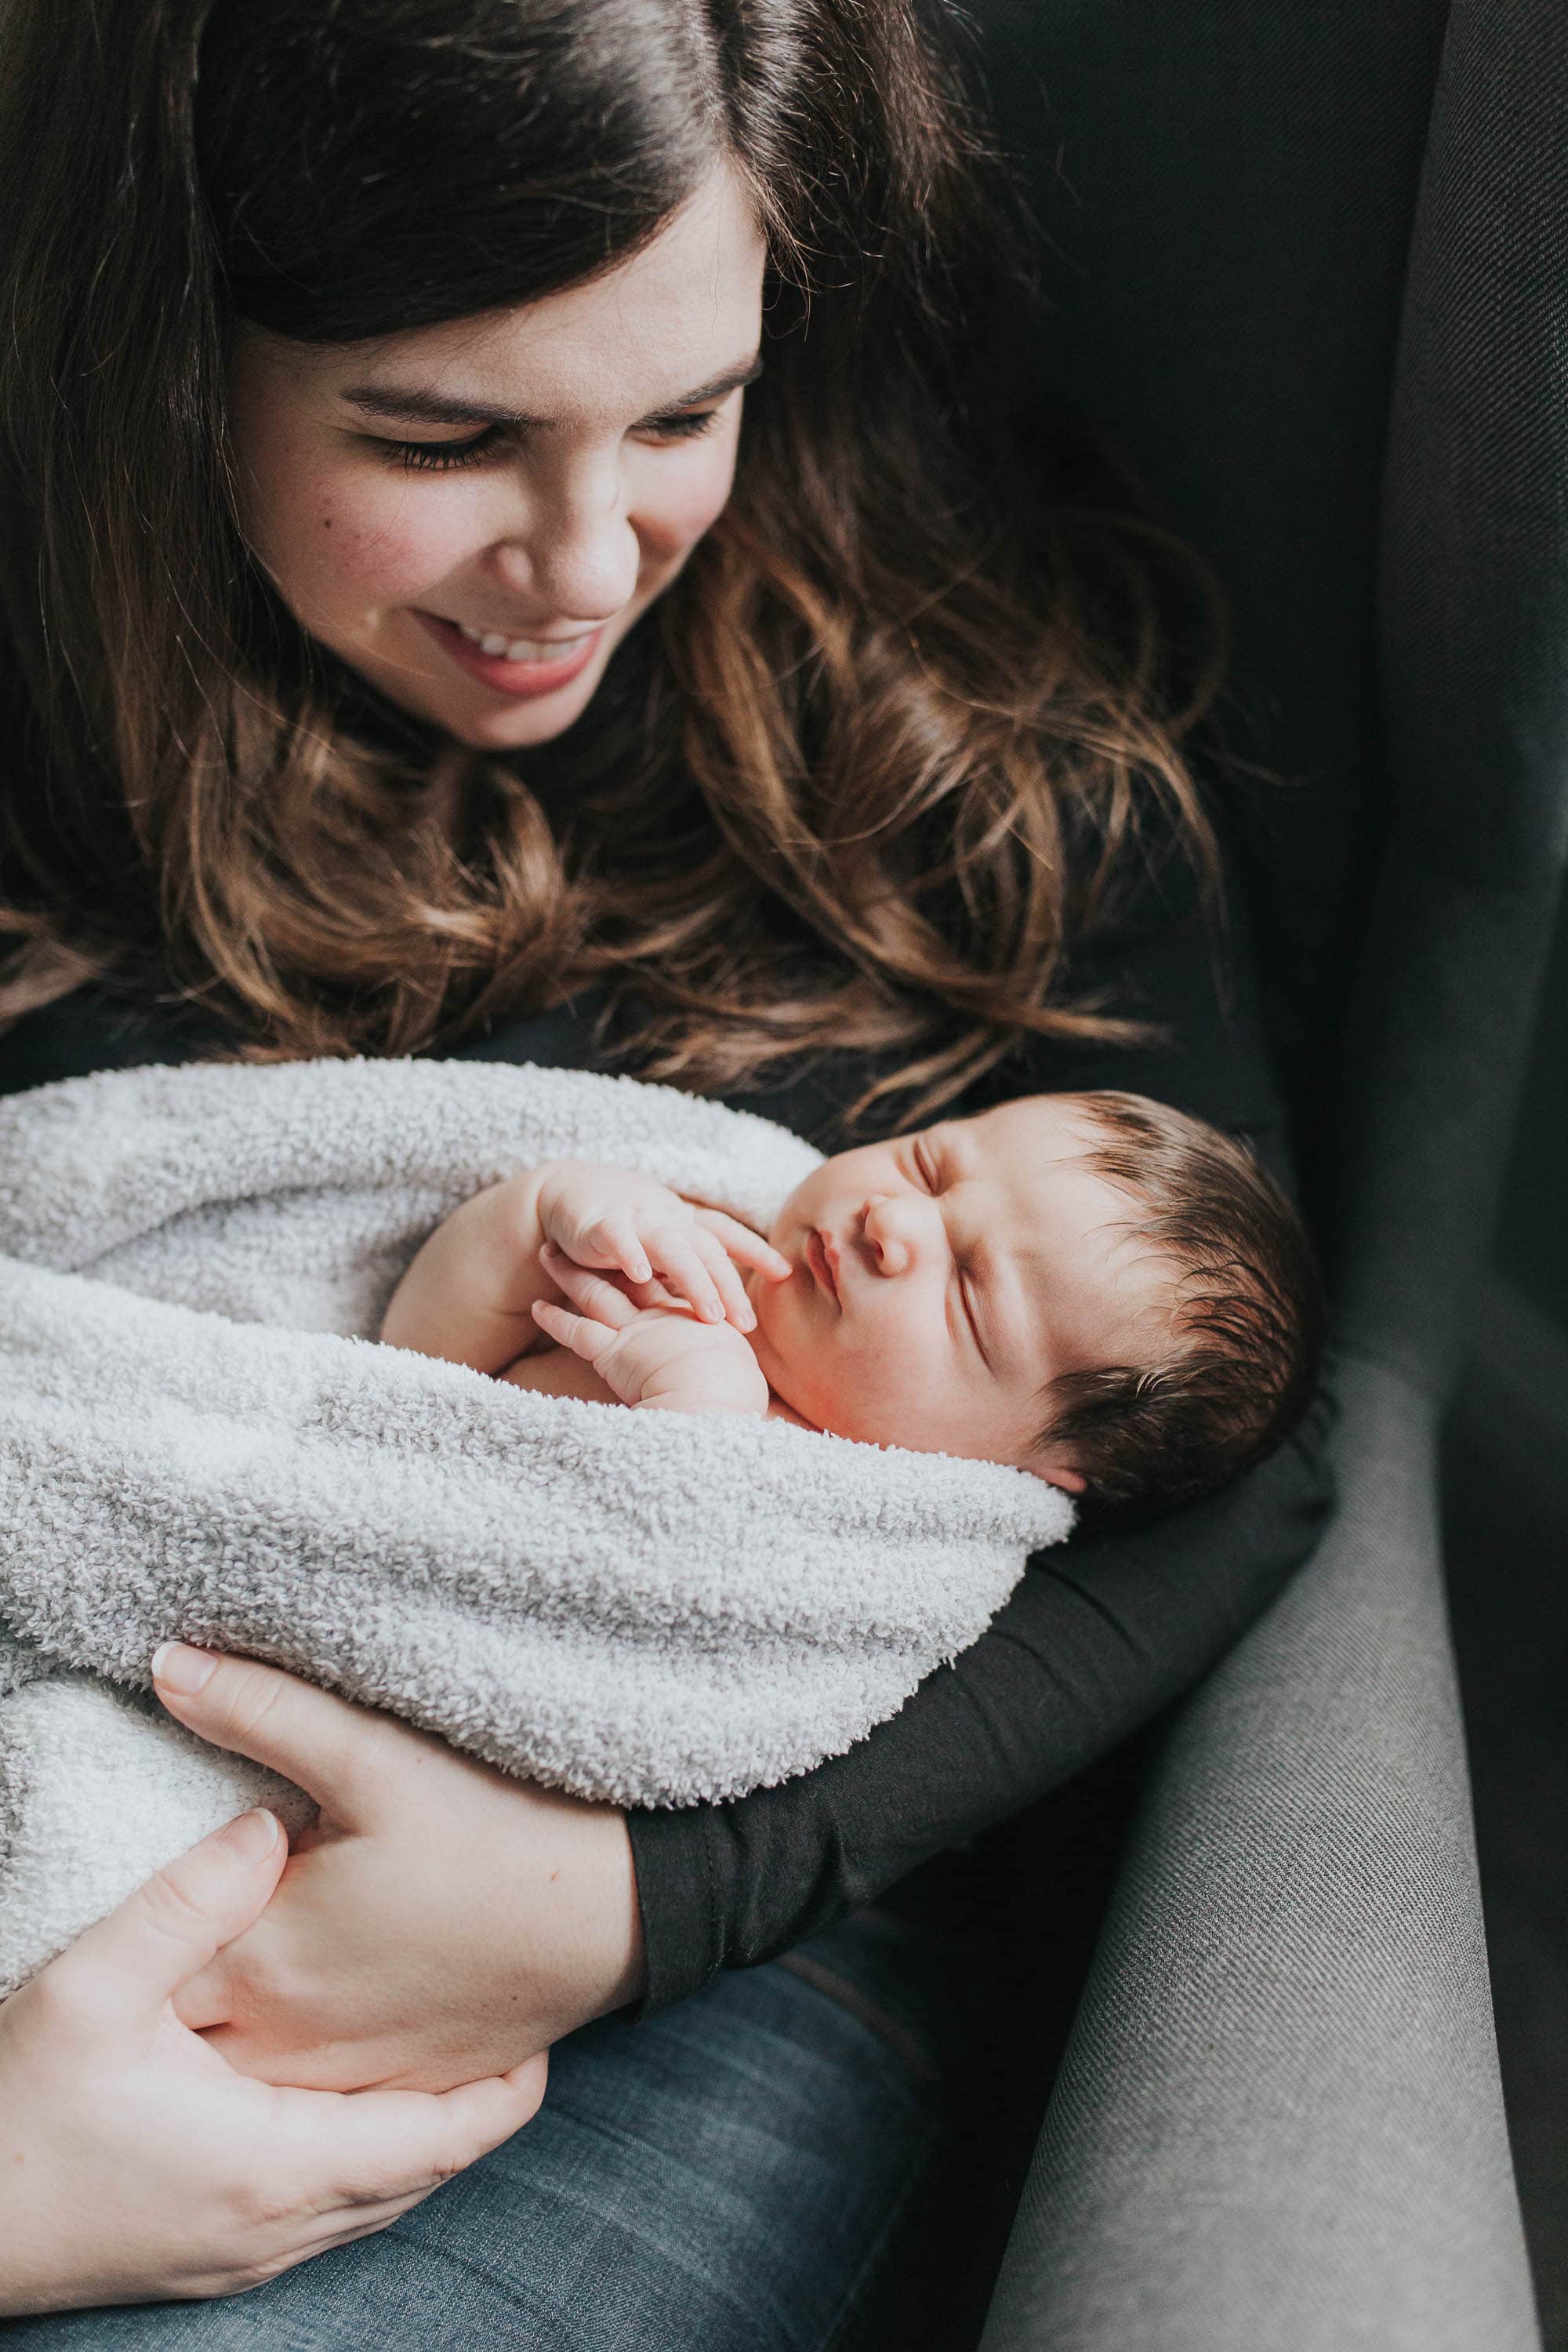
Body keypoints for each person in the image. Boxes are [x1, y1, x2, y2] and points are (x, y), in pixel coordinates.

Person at [0, 0, 1333, 2338]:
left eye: (685, 413)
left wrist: (625, 1896)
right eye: (439, 434)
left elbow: (1245, 1453)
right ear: (159, 349)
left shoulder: (970, 722)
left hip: (675, 1958)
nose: (583, 559)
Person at [383, 1088, 1325, 1519]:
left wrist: (693, 1428)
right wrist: (544, 1209)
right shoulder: (689, 1238)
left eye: (966, 1286)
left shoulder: (863, 1529)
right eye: (931, 1163)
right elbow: (404, 1376)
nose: (892, 1221)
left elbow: (632, 1626)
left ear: (1043, 1465)